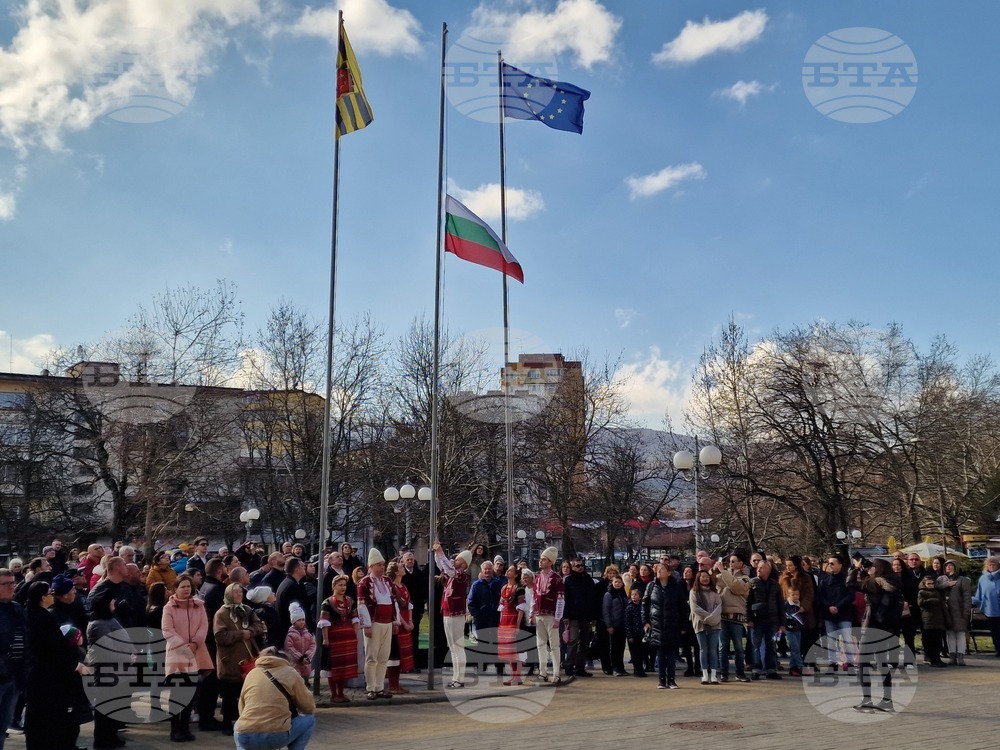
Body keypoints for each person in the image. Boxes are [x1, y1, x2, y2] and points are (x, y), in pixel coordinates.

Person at [24, 581, 89, 750]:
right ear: (42, 598)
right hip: (46, 676)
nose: (52, 596)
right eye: (49, 594)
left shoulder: (38, 614)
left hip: (43, 675)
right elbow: (52, 648)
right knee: (46, 717)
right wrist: (74, 664)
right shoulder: (41, 618)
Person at [848, 557, 903, 712]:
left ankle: (867, 699)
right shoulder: (892, 582)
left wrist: (855, 567)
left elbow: (850, 584)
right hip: (885, 627)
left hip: (872, 627)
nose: (869, 568)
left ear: (878, 569)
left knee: (863, 663)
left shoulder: (876, 584)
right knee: (881, 663)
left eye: (872, 566)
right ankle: (887, 700)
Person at [234, 647, 316, 750]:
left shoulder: (252, 673)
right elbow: (308, 707)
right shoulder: (290, 672)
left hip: (245, 736)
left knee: (239, 724)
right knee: (309, 719)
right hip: (275, 737)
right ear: (285, 661)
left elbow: (242, 707)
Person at [162, 573, 212, 742]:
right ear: (175, 589)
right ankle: (175, 729)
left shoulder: (199, 606)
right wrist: (183, 646)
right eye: (182, 586)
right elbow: (167, 630)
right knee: (177, 695)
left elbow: (204, 626)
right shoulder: (169, 607)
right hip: (177, 655)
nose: (186, 589)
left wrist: (195, 643)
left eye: (188, 587)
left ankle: (185, 728)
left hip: (195, 653)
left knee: (190, 694)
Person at [214, 584, 265, 735]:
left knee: (246, 693)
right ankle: (227, 723)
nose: (238, 594)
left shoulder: (247, 610)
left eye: (240, 592)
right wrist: (240, 634)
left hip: (248, 659)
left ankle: (244, 721)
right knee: (229, 694)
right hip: (230, 659)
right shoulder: (222, 613)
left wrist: (250, 631)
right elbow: (220, 636)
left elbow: (259, 625)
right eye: (235, 592)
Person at [357, 548, 398, 699]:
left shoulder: (387, 581)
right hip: (374, 623)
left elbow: (393, 602)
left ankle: (380, 687)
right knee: (371, 656)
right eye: (379, 565)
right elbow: (362, 605)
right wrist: (366, 625)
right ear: (372, 566)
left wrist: (395, 621)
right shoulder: (364, 582)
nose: (382, 567)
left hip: (387, 622)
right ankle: (371, 687)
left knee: (383, 656)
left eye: (383, 564)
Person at [432, 541, 472, 689]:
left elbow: (448, 569)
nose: (455, 560)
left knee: (458, 646)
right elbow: (442, 565)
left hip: (456, 614)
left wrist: (441, 552)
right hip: (448, 612)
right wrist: (437, 553)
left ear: (464, 564)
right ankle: (456, 677)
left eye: (458, 560)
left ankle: (459, 678)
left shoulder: (461, 576)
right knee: (452, 647)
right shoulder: (452, 575)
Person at [642, 562, 686, 689]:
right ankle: (661, 680)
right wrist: (645, 622)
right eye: (658, 569)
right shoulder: (651, 586)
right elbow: (645, 605)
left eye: (662, 569)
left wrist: (683, 625)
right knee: (660, 654)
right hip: (656, 624)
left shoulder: (675, 587)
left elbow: (683, 607)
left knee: (671, 653)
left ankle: (671, 680)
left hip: (672, 624)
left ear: (669, 573)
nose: (659, 571)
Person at [319, 575, 360, 703]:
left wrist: (355, 635)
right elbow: (324, 622)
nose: (343, 587)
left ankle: (341, 693)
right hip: (334, 638)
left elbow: (355, 619)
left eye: (344, 585)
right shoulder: (327, 602)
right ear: (334, 586)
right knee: (333, 667)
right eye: (340, 585)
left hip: (347, 638)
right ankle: (334, 694)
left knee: (344, 667)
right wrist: (325, 639)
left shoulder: (350, 601)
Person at [816, 553, 856, 673]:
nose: (830, 565)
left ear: (840, 564)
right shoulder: (825, 579)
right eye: (829, 563)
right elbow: (820, 595)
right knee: (831, 640)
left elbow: (850, 596)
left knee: (847, 640)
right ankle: (832, 662)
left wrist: (838, 606)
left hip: (844, 614)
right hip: (829, 614)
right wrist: (829, 606)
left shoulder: (846, 579)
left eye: (833, 563)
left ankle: (849, 662)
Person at [714, 553, 751, 682]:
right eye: (730, 561)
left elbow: (737, 587)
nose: (731, 563)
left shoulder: (746, 578)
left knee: (739, 647)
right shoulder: (721, 575)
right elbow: (711, 580)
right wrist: (712, 570)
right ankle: (724, 673)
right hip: (722, 615)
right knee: (722, 647)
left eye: (734, 561)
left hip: (736, 617)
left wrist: (724, 573)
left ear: (741, 563)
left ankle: (739, 673)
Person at [530, 546, 564, 683]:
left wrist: (558, 617)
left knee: (554, 645)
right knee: (540, 644)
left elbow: (561, 599)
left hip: (551, 615)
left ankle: (556, 674)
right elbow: (534, 596)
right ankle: (542, 672)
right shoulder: (537, 577)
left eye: (544, 559)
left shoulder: (557, 578)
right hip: (539, 614)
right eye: (540, 559)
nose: (540, 561)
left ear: (551, 562)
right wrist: (531, 613)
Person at [779, 556, 816, 677]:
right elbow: (781, 595)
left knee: (803, 642)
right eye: (787, 565)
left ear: (796, 565)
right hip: (788, 614)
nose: (788, 567)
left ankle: (801, 665)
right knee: (793, 644)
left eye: (790, 565)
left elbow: (809, 594)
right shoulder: (784, 578)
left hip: (802, 614)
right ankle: (795, 667)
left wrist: (803, 607)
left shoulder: (805, 578)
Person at [747, 560, 783, 680]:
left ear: (769, 570)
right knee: (756, 646)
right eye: (758, 568)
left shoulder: (775, 584)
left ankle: (771, 669)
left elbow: (780, 604)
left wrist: (782, 623)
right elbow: (747, 603)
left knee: (771, 645)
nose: (759, 569)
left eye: (762, 568)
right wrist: (749, 619)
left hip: (772, 620)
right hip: (757, 620)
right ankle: (756, 669)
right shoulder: (752, 583)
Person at [563, 556, 597, 678]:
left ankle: (580, 667)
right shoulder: (568, 581)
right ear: (572, 567)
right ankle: (568, 665)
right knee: (573, 640)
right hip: (573, 615)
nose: (580, 568)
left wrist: (593, 616)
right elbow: (565, 599)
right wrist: (565, 615)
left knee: (585, 642)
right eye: (577, 566)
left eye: (582, 566)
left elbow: (593, 598)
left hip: (586, 615)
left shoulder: (588, 580)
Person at [689, 569, 722, 684]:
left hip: (715, 624)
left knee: (713, 650)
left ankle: (713, 674)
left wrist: (712, 618)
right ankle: (704, 674)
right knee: (703, 649)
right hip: (700, 623)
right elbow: (695, 608)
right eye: (702, 576)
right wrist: (708, 617)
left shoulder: (715, 592)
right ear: (698, 578)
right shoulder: (694, 592)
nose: (705, 578)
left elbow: (719, 606)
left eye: (707, 576)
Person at [386, 561, 415, 694]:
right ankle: (392, 685)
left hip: (405, 623)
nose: (404, 569)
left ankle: (396, 684)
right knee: (394, 655)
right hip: (397, 622)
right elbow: (395, 608)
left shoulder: (403, 586)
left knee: (402, 654)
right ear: (396, 572)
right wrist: (404, 623)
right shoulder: (392, 587)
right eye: (401, 567)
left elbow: (408, 605)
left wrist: (410, 622)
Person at [937, 559, 972, 666]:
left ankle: (961, 656)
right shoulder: (941, 579)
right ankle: (952, 656)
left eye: (951, 565)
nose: (948, 567)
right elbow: (936, 587)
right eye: (947, 566)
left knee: (960, 633)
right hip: (946, 611)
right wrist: (947, 584)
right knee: (950, 634)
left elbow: (967, 597)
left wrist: (967, 611)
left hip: (959, 610)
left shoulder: (963, 580)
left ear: (956, 567)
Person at [496, 564, 527, 685]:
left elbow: (521, 608)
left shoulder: (519, 588)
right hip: (505, 622)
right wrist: (500, 623)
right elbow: (501, 607)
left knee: (515, 650)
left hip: (514, 620)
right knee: (508, 652)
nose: (507, 571)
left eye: (511, 570)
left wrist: (518, 625)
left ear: (515, 574)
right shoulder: (504, 588)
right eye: (508, 570)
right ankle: (513, 676)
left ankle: (517, 676)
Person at [917, 574, 948, 667]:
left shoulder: (937, 592)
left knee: (938, 640)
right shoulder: (922, 592)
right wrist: (932, 600)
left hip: (938, 618)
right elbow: (920, 603)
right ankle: (931, 658)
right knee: (929, 640)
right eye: (928, 583)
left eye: (932, 583)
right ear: (924, 584)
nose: (931, 585)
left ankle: (937, 658)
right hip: (928, 619)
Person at [972, 555, 1000, 658]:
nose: (992, 566)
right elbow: (979, 594)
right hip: (990, 609)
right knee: (995, 631)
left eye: (994, 564)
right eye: (989, 565)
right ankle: (998, 649)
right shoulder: (983, 578)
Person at [602, 573, 628, 676]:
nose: (617, 584)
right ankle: (615, 667)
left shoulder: (623, 594)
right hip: (613, 625)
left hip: (623, 625)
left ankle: (621, 667)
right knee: (614, 648)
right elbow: (606, 611)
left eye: (619, 582)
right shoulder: (608, 595)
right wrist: (609, 625)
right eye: (615, 582)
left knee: (621, 647)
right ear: (612, 583)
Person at [283, 603, 315, 680]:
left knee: (305, 680)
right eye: (298, 620)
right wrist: (300, 658)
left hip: (306, 664)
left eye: (303, 620)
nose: (301, 622)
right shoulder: (290, 635)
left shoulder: (307, 634)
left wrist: (307, 656)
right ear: (293, 622)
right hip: (295, 664)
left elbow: (313, 645)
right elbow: (289, 648)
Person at [624, 586, 646, 677]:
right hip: (633, 634)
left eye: (636, 595)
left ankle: (641, 669)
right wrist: (629, 636)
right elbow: (627, 623)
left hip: (641, 634)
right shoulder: (629, 608)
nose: (634, 596)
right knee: (634, 654)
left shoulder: (642, 607)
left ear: (640, 597)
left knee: (641, 653)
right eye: (632, 595)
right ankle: (636, 670)